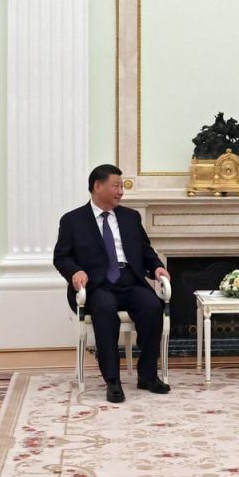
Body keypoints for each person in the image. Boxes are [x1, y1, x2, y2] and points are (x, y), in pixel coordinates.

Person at [54, 164, 171, 403]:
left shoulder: (130, 217)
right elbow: (61, 257)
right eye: (116, 186)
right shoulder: (73, 220)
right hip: (97, 284)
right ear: (98, 186)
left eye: (122, 186)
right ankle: (113, 381)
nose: (121, 191)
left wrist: (156, 267)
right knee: (106, 312)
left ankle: (147, 375)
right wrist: (75, 272)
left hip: (130, 280)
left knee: (152, 307)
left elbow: (145, 250)